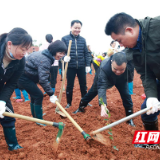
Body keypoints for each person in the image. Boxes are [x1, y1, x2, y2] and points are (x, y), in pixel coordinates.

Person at [105, 12, 160, 148]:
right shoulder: (132, 51)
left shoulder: (156, 27)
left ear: (129, 30)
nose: (121, 45)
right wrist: (152, 96)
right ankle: (152, 143)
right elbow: (146, 74)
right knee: (147, 110)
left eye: (119, 40)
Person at [73, 52, 135, 127]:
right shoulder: (104, 67)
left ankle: (129, 118)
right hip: (104, 77)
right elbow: (102, 87)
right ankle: (81, 106)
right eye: (115, 69)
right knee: (93, 91)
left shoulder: (130, 63)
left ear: (126, 63)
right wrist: (103, 105)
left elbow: (130, 75)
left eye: (121, 69)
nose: (118, 72)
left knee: (126, 94)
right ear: (112, 62)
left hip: (121, 79)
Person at [18, 40, 70, 126]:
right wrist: (51, 94)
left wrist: (63, 58)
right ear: (54, 50)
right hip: (24, 77)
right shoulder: (45, 59)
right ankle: (39, 119)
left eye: (63, 53)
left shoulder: (46, 54)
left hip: (27, 76)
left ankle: (36, 116)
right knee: (38, 95)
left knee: (35, 95)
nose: (62, 55)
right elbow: (43, 79)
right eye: (60, 52)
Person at [0, 28, 32, 151]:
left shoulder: (20, 61)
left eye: (27, 49)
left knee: (8, 115)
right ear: (9, 44)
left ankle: (13, 145)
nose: (25, 52)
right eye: (22, 49)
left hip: (2, 88)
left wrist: (2, 101)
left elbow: (12, 83)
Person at [61, 20, 91, 109]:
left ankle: (85, 101)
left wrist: (88, 64)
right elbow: (61, 52)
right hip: (70, 66)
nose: (77, 29)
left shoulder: (83, 40)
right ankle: (69, 103)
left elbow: (86, 53)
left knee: (83, 85)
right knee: (70, 85)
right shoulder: (65, 39)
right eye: (75, 28)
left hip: (81, 66)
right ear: (71, 28)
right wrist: (64, 57)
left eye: (79, 28)